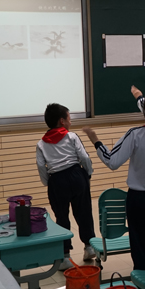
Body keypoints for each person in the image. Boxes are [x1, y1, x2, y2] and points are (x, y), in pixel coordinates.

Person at [83, 89, 145, 271]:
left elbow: (112, 161)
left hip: (139, 200)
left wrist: (95, 140)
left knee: (140, 248)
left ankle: (142, 282)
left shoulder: (136, 134)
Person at [36, 103, 95, 270]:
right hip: (76, 176)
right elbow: (84, 157)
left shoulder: (41, 143)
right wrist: (87, 174)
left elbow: (41, 166)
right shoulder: (71, 136)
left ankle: (65, 256)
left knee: (61, 217)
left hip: (56, 181)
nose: (70, 121)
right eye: (69, 118)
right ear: (62, 121)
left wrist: (48, 183)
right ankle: (89, 247)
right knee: (84, 212)